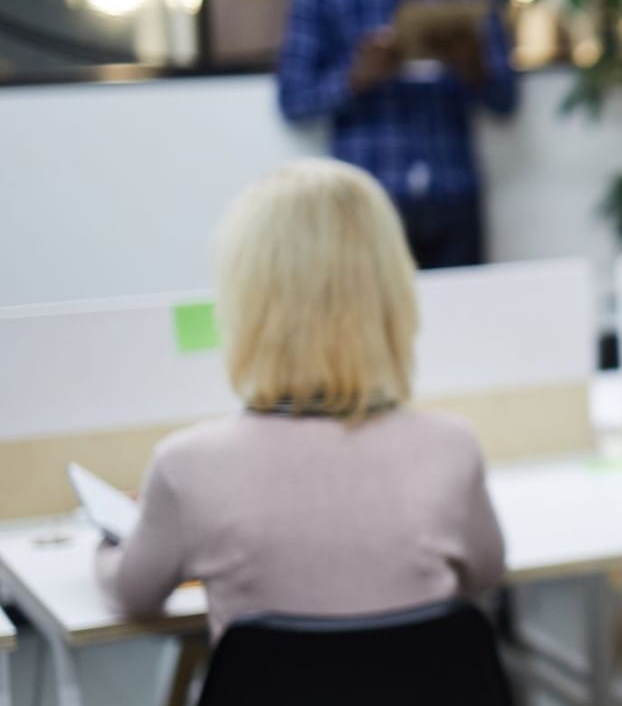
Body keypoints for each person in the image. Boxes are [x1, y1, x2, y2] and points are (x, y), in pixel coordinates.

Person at [96, 158, 506, 641]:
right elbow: (485, 573)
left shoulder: (189, 466)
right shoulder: (450, 447)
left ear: (249, 301)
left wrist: (107, 544)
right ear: (391, 294)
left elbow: (133, 594)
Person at [276, 0, 516, 270]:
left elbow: (505, 99)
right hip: (367, 200)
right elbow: (293, 99)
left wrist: (471, 65)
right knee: (368, 332)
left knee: (464, 324)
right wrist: (355, 77)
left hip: (452, 195)